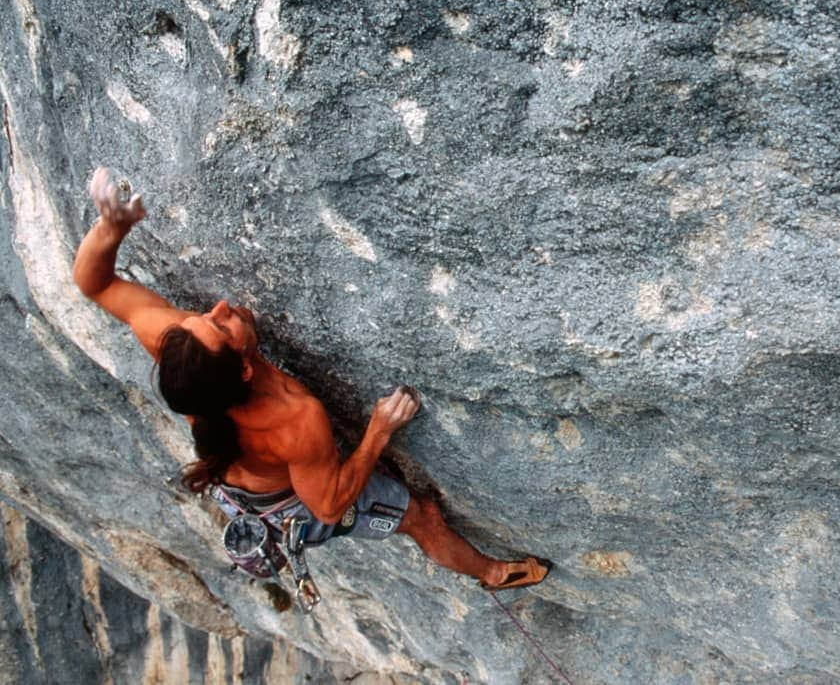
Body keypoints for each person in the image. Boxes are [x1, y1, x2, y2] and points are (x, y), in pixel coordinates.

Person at [72, 167, 549, 591]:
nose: (218, 308)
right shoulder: (296, 420)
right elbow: (327, 506)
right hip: (292, 505)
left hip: (245, 479)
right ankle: (491, 575)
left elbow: (95, 283)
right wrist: (377, 434)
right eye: (220, 325)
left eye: (204, 316)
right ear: (243, 367)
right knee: (421, 516)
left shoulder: (186, 358)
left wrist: (111, 228)